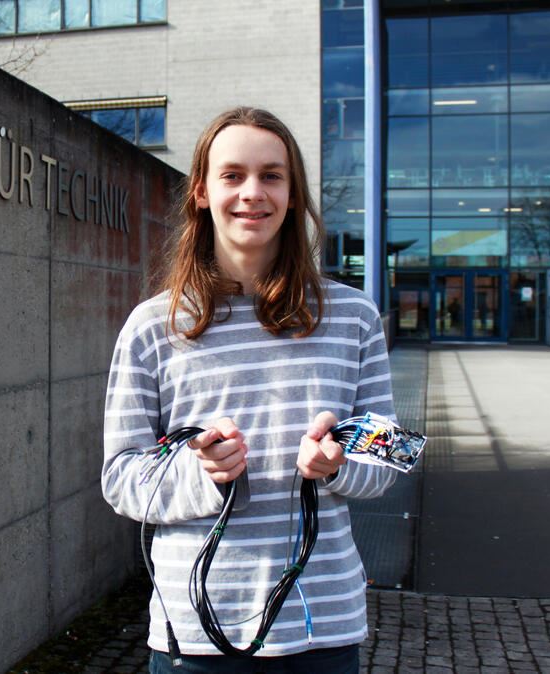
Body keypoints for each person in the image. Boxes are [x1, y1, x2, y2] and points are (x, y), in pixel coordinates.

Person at [102, 107, 398, 673]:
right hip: (195, 632)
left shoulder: (354, 317)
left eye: (272, 175)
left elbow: (384, 461)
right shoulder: (152, 326)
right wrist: (201, 475)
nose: (252, 193)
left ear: (292, 194)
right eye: (232, 175)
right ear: (202, 192)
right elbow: (119, 478)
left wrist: (338, 465)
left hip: (323, 631)